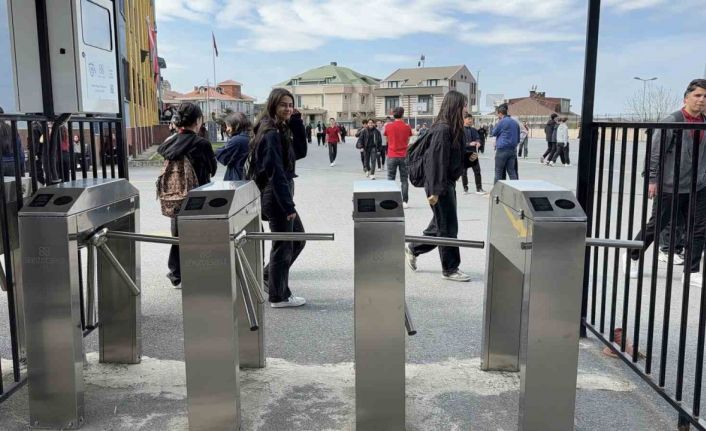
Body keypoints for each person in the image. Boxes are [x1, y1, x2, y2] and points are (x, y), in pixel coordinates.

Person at [624, 79, 706, 287]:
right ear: (686, 98)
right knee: (657, 225)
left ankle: (692, 271)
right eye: (697, 95)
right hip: (671, 184)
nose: (702, 100)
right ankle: (632, 255)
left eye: (705, 96)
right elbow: (655, 152)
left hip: (698, 185)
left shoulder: (704, 122)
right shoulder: (673, 121)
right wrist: (653, 179)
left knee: (698, 228)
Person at [246, 88, 308, 307]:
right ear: (273, 105)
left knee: (296, 239)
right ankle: (278, 296)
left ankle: (270, 278)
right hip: (275, 194)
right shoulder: (270, 132)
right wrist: (288, 206)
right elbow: (275, 172)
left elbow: (299, 152)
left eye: (290, 105)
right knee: (284, 243)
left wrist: (297, 122)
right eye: (283, 105)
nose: (288, 109)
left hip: (278, 193)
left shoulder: (279, 128)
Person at [405, 90, 471, 282]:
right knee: (448, 226)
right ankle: (450, 269)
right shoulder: (442, 130)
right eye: (463, 105)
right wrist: (435, 191)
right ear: (455, 106)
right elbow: (436, 162)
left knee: (440, 224)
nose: (465, 109)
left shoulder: (453, 128)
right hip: (439, 184)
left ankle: (414, 248)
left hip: (446, 182)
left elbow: (452, 158)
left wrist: (468, 159)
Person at [157, 102, 217, 287]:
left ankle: (176, 274)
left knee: (178, 235)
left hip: (175, 196)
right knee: (199, 236)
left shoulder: (169, 142)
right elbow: (213, 169)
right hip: (198, 196)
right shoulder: (201, 143)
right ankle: (197, 271)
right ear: (198, 121)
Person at [385, 107, 413, 208]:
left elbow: (387, 140)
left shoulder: (388, 126)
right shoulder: (407, 126)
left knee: (390, 178)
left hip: (392, 154)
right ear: (402, 114)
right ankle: (404, 201)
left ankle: (390, 200)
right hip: (404, 155)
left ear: (393, 115)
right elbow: (408, 140)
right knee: (404, 179)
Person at [215, 112, 252, 180]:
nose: (227, 129)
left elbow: (221, 154)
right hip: (248, 177)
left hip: (237, 177)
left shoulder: (237, 140)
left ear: (236, 125)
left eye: (228, 126)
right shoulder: (251, 137)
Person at [491, 104, 520, 183]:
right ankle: (516, 188)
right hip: (512, 150)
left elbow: (493, 133)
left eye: (498, 114)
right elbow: (518, 139)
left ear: (500, 113)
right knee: (512, 172)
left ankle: (497, 190)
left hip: (502, 150)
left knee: (498, 172)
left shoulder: (501, 122)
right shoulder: (515, 123)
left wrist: (497, 123)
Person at [461, 113, 485, 194]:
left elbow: (478, 138)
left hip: (473, 153)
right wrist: (469, 144)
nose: (470, 121)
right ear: (464, 120)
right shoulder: (460, 130)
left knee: (477, 171)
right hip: (464, 153)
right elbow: (459, 143)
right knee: (464, 172)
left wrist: (478, 142)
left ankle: (479, 188)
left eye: (471, 119)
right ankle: (465, 188)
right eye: (469, 119)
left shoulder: (473, 130)